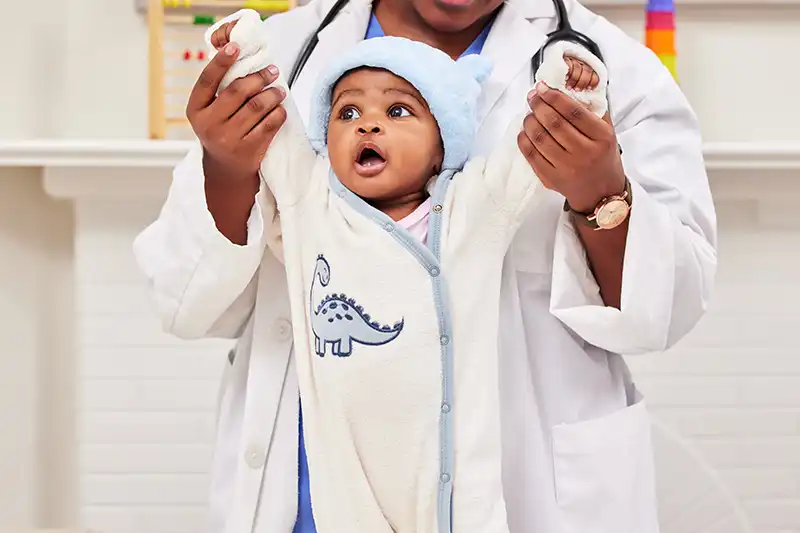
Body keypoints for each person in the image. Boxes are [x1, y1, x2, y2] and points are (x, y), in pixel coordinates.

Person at [132, 0, 718, 532]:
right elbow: (183, 298)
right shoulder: (285, 54)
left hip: (527, 493)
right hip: (312, 495)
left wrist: (601, 193)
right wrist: (228, 171)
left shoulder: (612, 68)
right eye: (349, 113)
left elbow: (666, 308)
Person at [195, 11, 604, 528]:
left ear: (442, 148)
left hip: (451, 477)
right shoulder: (310, 201)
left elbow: (531, 150)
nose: (367, 124)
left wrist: (571, 88)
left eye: (397, 111)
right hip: (343, 475)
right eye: (346, 114)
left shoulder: (472, 209)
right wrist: (247, 55)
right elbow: (277, 128)